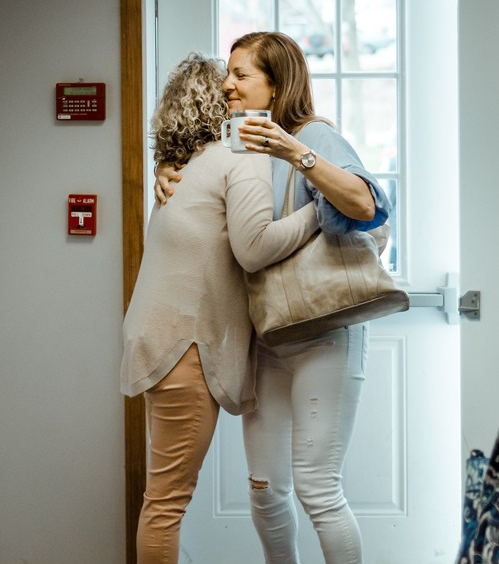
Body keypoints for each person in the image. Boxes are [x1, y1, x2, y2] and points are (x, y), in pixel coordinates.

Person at [154, 33, 391, 564]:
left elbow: (367, 206)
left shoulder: (315, 135)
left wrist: (295, 152)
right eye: (228, 73)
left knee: (317, 488)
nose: (227, 85)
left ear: (277, 85)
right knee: (264, 490)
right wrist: (165, 171)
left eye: (241, 75)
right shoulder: (237, 145)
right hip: (267, 334)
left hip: (325, 333)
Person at [120, 52, 320, 564]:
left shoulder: (184, 171)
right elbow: (255, 248)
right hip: (185, 347)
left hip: (161, 341)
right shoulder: (237, 156)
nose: (235, 87)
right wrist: (317, 212)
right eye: (229, 81)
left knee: (161, 498)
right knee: (166, 503)